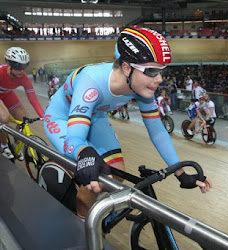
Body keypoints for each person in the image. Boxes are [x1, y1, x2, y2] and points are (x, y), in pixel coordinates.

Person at [43, 26, 212, 219]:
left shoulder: (140, 84)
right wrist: (84, 153)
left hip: (95, 117)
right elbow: (74, 138)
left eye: (161, 71)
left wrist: (180, 173)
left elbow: (157, 131)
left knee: (117, 174)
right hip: (61, 118)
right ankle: (83, 227)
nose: (159, 79)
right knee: (92, 183)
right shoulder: (91, 81)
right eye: (151, 71)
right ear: (126, 68)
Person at [0, 47, 44, 159]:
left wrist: (44, 116)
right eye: (19, 67)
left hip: (7, 94)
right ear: (9, 64)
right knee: (5, 118)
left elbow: (33, 100)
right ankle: (3, 144)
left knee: (24, 119)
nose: (22, 71)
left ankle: (15, 145)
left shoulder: (24, 78)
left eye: (24, 67)